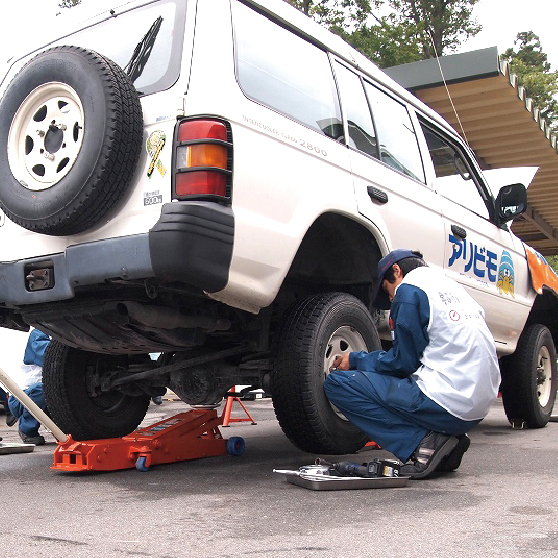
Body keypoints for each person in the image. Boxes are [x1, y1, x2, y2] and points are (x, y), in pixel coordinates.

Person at [324, 249, 500, 479]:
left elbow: (402, 364)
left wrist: (356, 360)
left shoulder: (408, 292)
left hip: (448, 402)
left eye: (387, 292)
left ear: (395, 271)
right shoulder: (451, 287)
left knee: (339, 384)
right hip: (478, 407)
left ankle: (423, 444)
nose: (390, 299)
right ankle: (446, 438)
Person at [7, 329, 51, 445]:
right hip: (23, 397)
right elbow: (50, 355)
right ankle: (27, 431)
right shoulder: (39, 332)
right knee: (46, 389)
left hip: (46, 395)